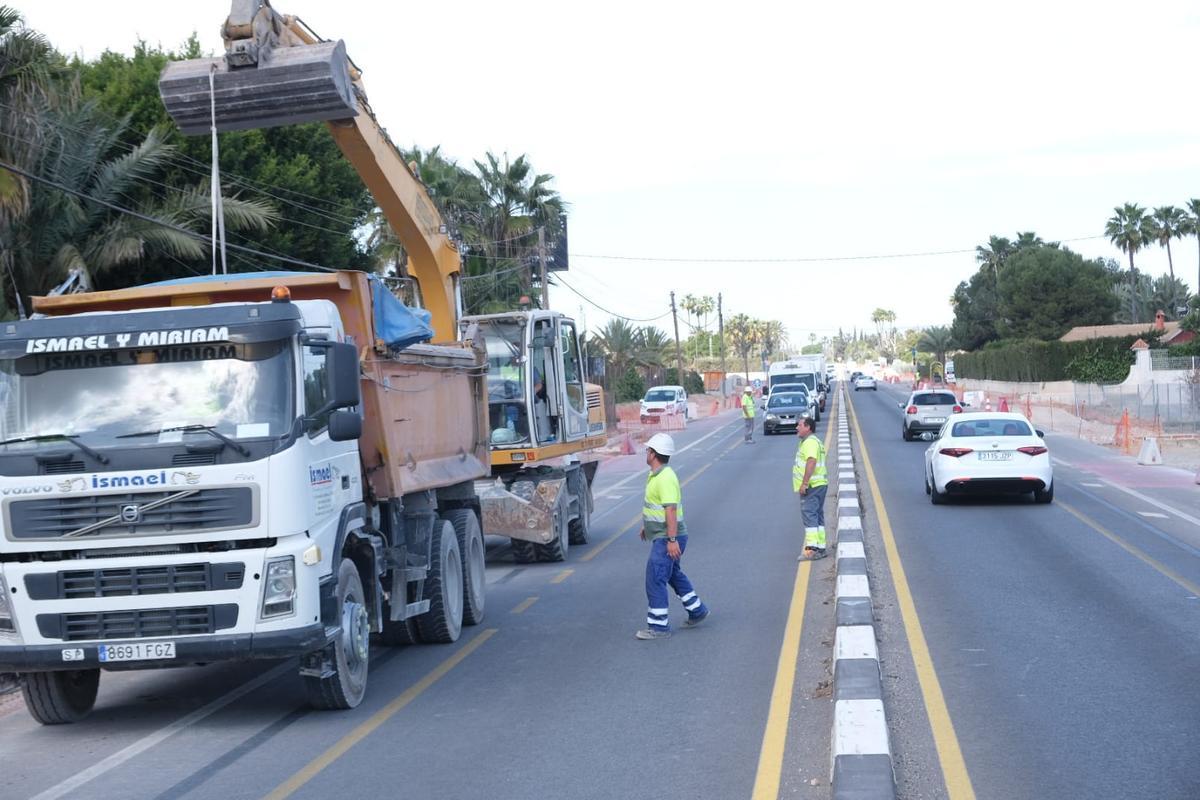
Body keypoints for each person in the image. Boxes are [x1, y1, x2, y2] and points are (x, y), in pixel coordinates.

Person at [636, 432, 709, 640]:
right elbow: (657, 507)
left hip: (667, 537)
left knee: (656, 577)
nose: (646, 452)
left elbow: (670, 510)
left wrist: (671, 540)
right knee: (673, 574)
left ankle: (659, 627)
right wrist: (647, 527)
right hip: (662, 534)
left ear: (653, 454)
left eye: (648, 450)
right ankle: (697, 610)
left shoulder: (665, 477)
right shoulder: (657, 474)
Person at [793, 416, 828, 560]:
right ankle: (821, 548)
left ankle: (812, 550)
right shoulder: (814, 441)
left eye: (800, 425)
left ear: (808, 427)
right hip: (819, 484)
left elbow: (811, 461)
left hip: (812, 485)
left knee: (810, 516)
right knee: (817, 516)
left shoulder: (809, 443)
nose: (797, 427)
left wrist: (805, 483)